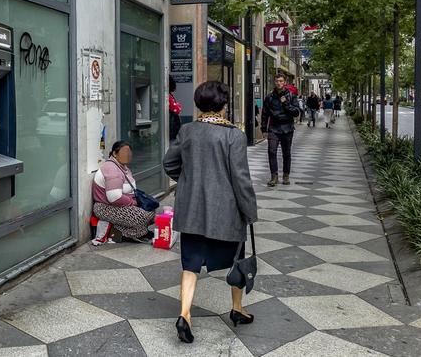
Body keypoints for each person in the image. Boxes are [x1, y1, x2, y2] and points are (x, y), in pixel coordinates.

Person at [163, 81, 258, 343]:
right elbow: (241, 179)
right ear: (224, 105)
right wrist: (249, 210)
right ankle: (237, 309)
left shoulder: (188, 130)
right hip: (225, 212)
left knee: (190, 264)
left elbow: (169, 163)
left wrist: (187, 180)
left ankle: (185, 315)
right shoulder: (234, 136)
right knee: (237, 260)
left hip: (192, 210)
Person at [92, 141, 155, 243]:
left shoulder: (123, 167)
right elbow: (114, 198)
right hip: (104, 207)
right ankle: (122, 233)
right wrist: (133, 203)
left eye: (129, 152)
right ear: (114, 154)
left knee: (151, 210)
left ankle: (138, 231)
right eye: (124, 152)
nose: (128, 155)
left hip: (121, 205)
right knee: (143, 216)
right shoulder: (111, 169)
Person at [261, 74, 300, 186]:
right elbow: (265, 114)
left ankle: (286, 175)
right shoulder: (269, 97)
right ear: (274, 82)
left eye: (281, 81)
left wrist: (286, 103)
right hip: (274, 128)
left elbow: (296, 112)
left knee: (286, 153)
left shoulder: (291, 96)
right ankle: (274, 176)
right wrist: (264, 129)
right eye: (277, 81)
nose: (279, 83)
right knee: (271, 151)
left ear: (285, 82)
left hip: (287, 128)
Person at [169, 76, 182, 143]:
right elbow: (176, 109)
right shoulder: (168, 96)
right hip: (171, 126)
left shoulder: (168, 95)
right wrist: (179, 106)